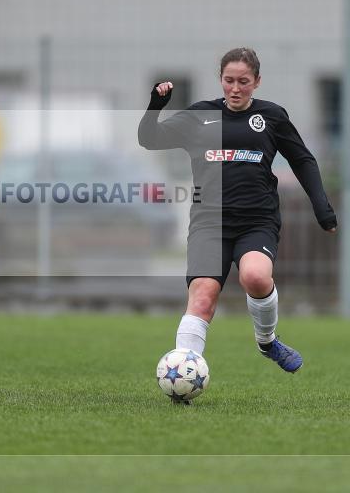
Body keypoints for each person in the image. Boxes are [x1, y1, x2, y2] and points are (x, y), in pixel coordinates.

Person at [138, 47, 336, 386]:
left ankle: (267, 342)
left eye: (243, 81)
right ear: (220, 80)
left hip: (256, 221)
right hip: (208, 223)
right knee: (202, 296)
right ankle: (182, 379)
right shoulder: (199, 116)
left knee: (256, 278)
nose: (235, 88)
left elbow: (302, 159)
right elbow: (148, 139)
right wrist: (156, 105)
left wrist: (322, 208)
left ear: (257, 82)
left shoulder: (271, 117)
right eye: (229, 80)